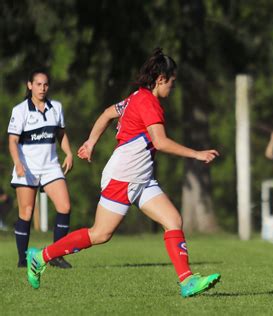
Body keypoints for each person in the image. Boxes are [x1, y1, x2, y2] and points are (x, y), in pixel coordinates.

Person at [25, 48, 221, 298]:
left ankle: (187, 281)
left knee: (173, 220)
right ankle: (40, 256)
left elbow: (107, 113)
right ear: (161, 79)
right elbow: (159, 142)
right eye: (172, 82)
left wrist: (91, 141)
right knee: (100, 234)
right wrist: (196, 154)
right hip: (123, 177)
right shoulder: (148, 103)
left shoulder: (136, 97)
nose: (173, 87)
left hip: (142, 178)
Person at [8, 69, 74, 269]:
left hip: (50, 167)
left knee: (65, 207)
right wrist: (18, 163)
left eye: (45, 84)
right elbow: (12, 141)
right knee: (26, 213)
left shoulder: (56, 107)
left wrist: (69, 153)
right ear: (30, 85)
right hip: (27, 167)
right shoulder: (20, 110)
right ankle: (22, 259)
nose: (42, 88)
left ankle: (56, 255)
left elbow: (61, 134)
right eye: (38, 84)